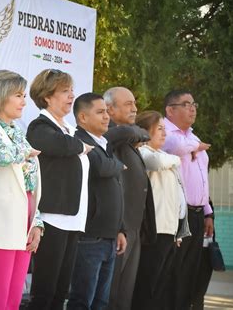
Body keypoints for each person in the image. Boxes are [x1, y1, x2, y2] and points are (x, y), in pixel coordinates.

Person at [0, 70, 44, 310]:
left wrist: (37, 223)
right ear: (1, 95)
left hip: (23, 224)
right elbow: (3, 156)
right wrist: (26, 153)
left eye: (24, 95)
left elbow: (32, 185)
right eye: (18, 95)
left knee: (13, 301)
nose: (24, 101)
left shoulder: (19, 135)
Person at [26, 69, 90, 310]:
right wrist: (80, 146)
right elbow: (60, 145)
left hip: (73, 219)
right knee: (44, 292)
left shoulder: (69, 130)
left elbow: (77, 146)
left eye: (71, 90)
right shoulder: (40, 126)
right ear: (47, 97)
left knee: (60, 292)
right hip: (52, 219)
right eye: (65, 91)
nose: (71, 95)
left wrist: (79, 145)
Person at [67, 92, 127, 310]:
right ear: (83, 118)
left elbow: (113, 185)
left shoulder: (104, 143)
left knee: (100, 302)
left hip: (109, 237)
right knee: (82, 300)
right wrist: (118, 165)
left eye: (107, 111)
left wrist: (120, 230)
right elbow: (101, 167)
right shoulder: (79, 141)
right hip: (89, 238)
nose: (106, 116)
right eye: (100, 112)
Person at [103, 86, 157, 310]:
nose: (135, 108)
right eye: (128, 104)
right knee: (111, 292)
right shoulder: (111, 135)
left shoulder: (126, 136)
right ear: (109, 109)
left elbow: (142, 133)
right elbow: (142, 133)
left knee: (125, 293)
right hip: (119, 226)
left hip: (134, 226)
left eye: (134, 103)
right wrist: (138, 132)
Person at [132, 110, 191, 310]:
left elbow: (179, 197)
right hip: (154, 230)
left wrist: (179, 229)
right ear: (145, 131)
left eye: (165, 129)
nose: (164, 133)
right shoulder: (143, 152)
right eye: (159, 129)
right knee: (147, 283)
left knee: (162, 284)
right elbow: (157, 163)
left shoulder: (166, 156)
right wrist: (176, 159)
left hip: (170, 230)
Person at [162, 89, 214, 310]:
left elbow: (202, 177)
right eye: (186, 104)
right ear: (170, 110)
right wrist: (197, 146)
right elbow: (175, 148)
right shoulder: (164, 130)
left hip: (196, 213)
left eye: (193, 104)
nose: (192, 108)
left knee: (191, 271)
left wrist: (208, 211)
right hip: (175, 214)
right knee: (173, 270)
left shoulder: (192, 136)